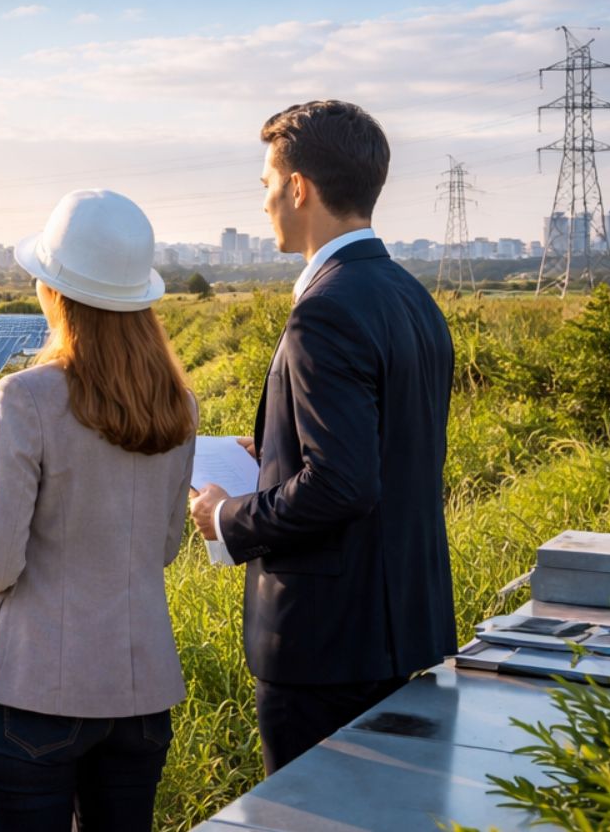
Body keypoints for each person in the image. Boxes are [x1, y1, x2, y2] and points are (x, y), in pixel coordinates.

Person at [0, 189, 197, 832]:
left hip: (35, 692)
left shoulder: (26, 396)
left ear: (54, 292)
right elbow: (165, 545)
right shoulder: (179, 402)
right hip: (143, 693)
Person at [188, 99, 456, 775]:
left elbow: (342, 483)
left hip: (327, 647)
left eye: (267, 186)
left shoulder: (325, 310)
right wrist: (277, 455)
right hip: (407, 629)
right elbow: (389, 453)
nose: (266, 202)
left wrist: (226, 516)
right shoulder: (410, 297)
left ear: (299, 187)